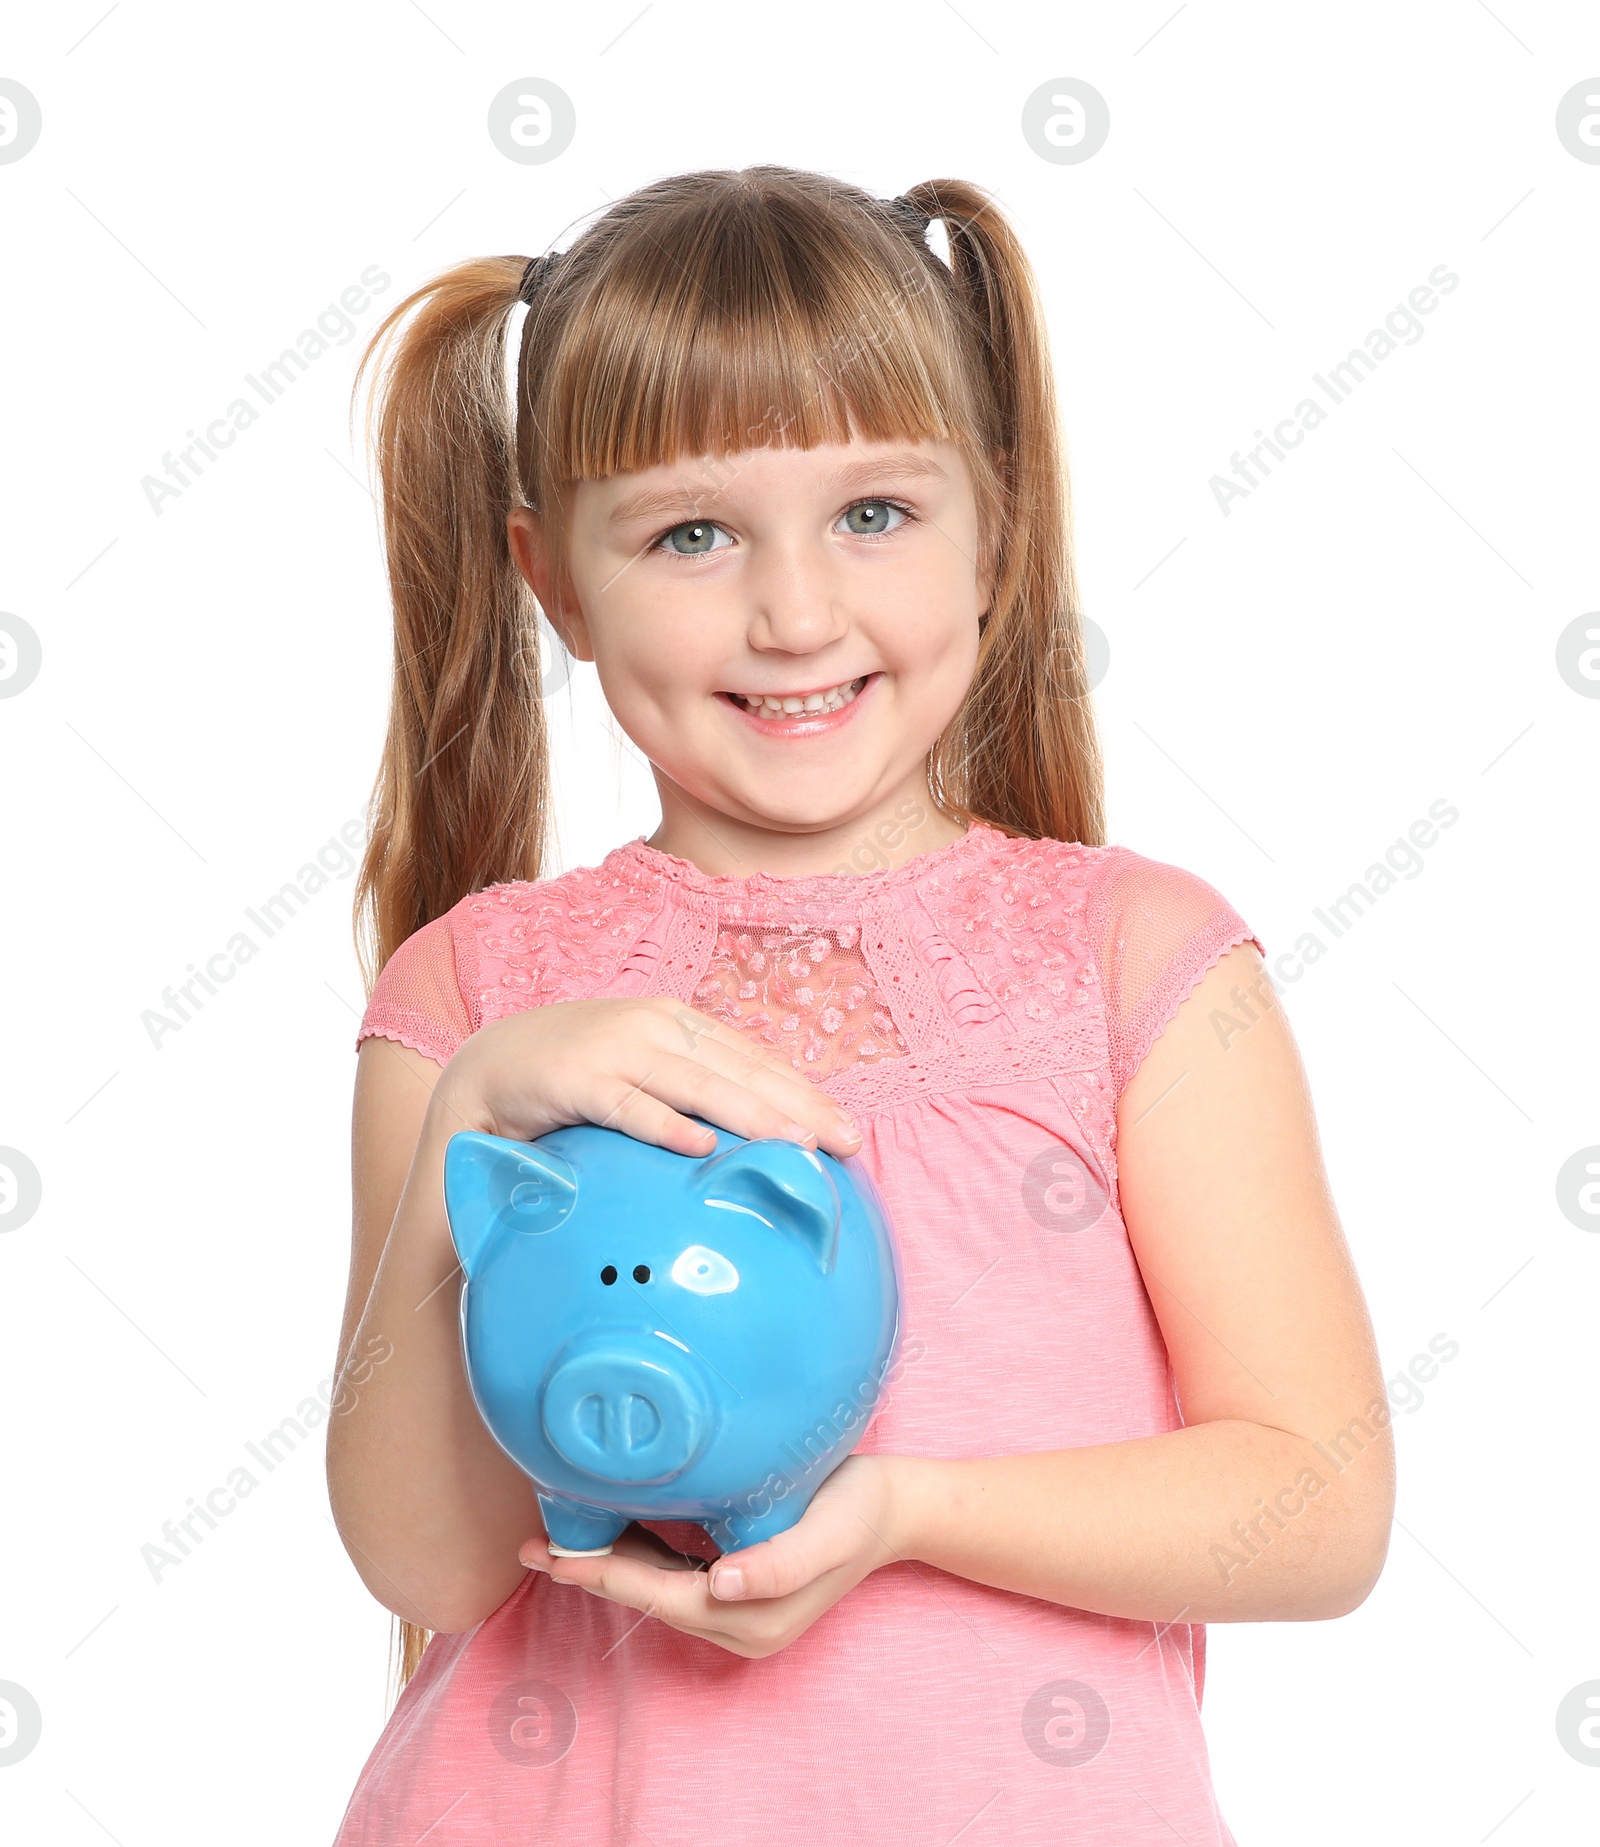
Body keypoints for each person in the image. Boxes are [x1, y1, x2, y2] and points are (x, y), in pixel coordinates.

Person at [325, 164, 1394, 1845]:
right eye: (691, 533)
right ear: (556, 581)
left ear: (997, 523)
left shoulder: (1132, 961)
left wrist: (903, 1512)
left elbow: (1315, 1505)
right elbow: (422, 1562)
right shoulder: (475, 994)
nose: (797, 611)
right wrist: (474, 1109)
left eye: (874, 514)